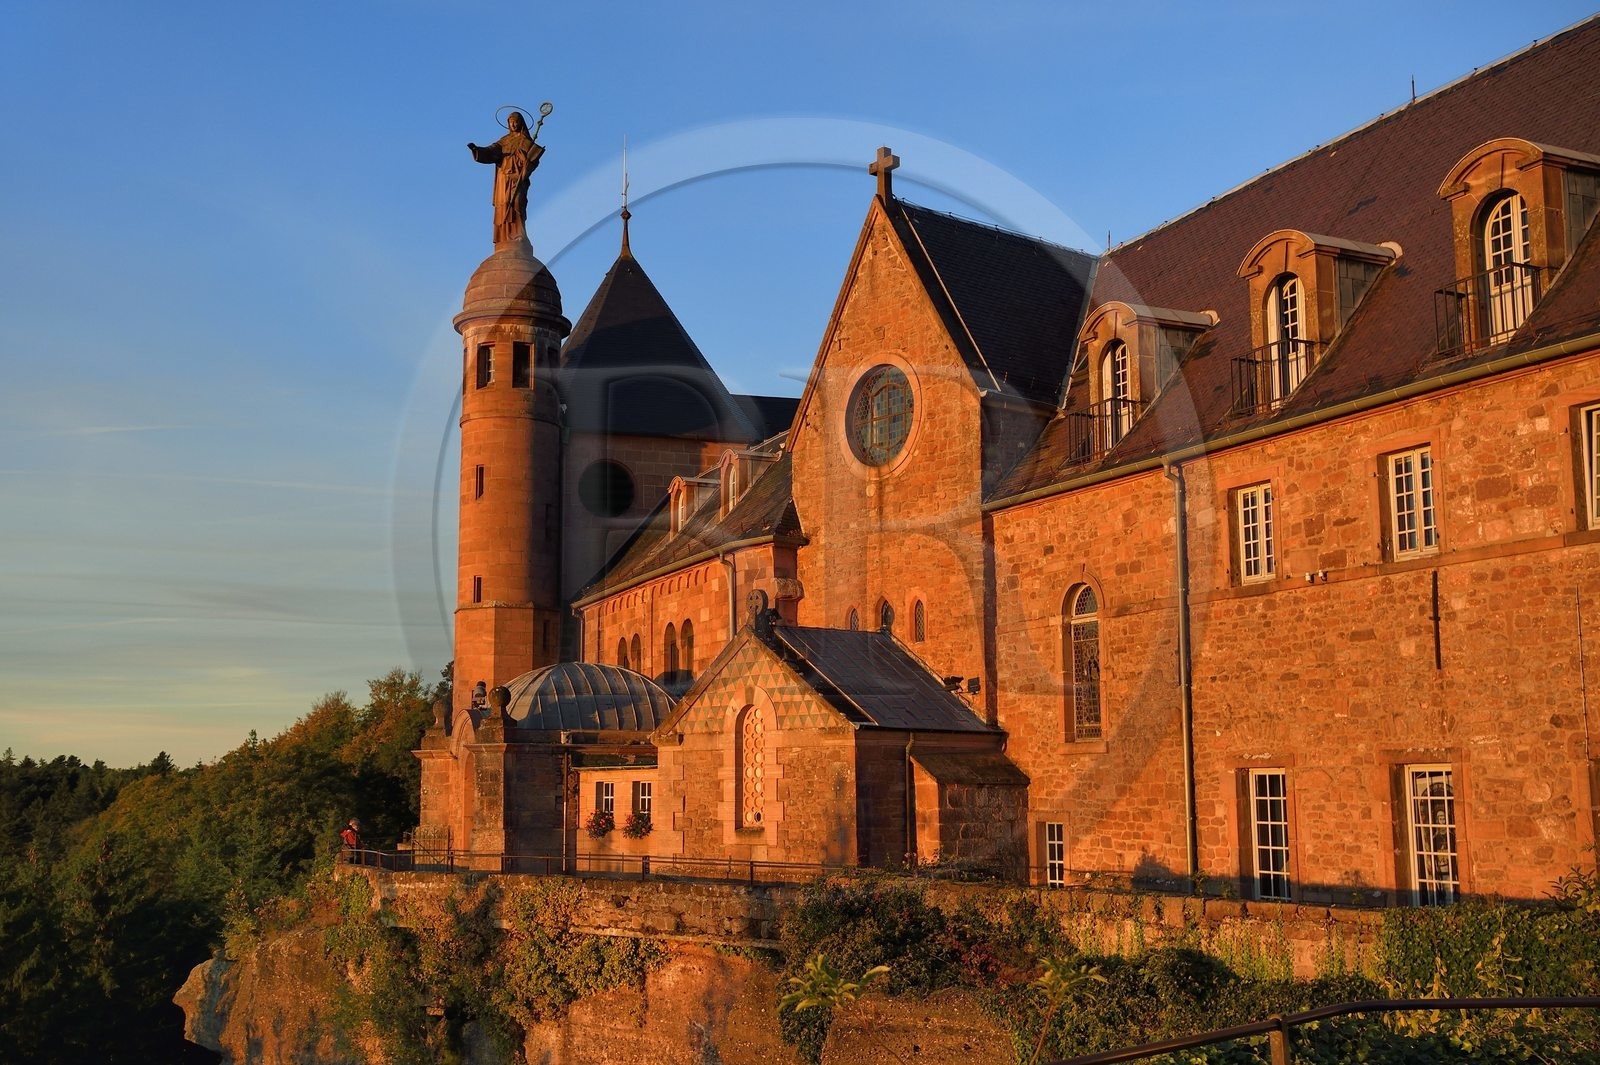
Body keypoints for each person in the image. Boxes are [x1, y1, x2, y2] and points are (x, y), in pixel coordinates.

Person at [468, 111, 545, 245]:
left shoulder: (527, 142)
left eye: (515, 121)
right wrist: (477, 150)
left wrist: (527, 163)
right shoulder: (504, 141)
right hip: (504, 178)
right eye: (511, 122)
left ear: (520, 123)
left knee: (517, 203)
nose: (513, 124)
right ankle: (503, 237)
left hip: (518, 179)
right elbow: (491, 151)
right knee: (503, 205)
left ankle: (519, 235)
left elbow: (533, 161)